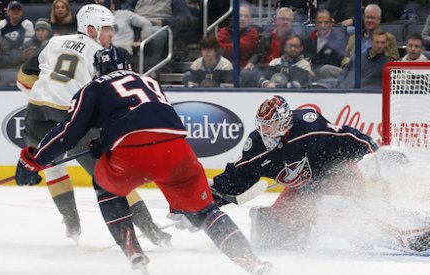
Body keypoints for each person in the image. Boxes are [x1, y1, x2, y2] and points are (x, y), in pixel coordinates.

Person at [15, 45, 273, 275]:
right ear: (128, 66)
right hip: (178, 150)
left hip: (132, 155)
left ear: (98, 69)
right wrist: (103, 143)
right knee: (206, 212)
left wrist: (35, 160)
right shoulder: (150, 81)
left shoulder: (93, 87)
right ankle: (252, 263)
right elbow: (145, 118)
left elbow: (69, 133)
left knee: (105, 187)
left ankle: (134, 253)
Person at [210, 95, 430, 254]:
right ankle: (312, 229)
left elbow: (347, 137)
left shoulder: (308, 127)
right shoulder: (257, 146)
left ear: (284, 121)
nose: (265, 132)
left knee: (357, 222)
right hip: (304, 189)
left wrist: (371, 155)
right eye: (262, 126)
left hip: (338, 175)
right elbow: (236, 178)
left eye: (270, 126)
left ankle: (420, 233)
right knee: (275, 230)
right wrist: (204, 205)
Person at [15, 4, 170, 248]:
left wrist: (47, 92)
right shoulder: (105, 54)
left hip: (36, 111)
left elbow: (23, 80)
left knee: (53, 169)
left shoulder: (55, 42)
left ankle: (71, 223)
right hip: (72, 116)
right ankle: (149, 228)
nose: (111, 34)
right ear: (91, 30)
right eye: (107, 29)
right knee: (111, 173)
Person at [241, 7, 294, 87]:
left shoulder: (295, 40)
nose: (285, 22)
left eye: (288, 20)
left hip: (282, 70)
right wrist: (251, 62)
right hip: (264, 68)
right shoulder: (267, 36)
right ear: (276, 20)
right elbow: (258, 53)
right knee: (245, 73)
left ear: (292, 23)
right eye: (282, 19)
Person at [303, 9, 348, 80]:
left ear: (331, 24)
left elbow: (335, 62)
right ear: (316, 24)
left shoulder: (338, 40)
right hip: (311, 73)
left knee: (325, 69)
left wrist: (315, 71)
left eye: (326, 22)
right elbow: (307, 57)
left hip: (330, 74)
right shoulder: (310, 39)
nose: (323, 26)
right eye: (320, 22)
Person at [217, 3, 259, 69]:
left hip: (244, 68)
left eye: (246, 16)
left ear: (250, 20)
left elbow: (237, 49)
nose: (243, 19)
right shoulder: (224, 31)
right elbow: (218, 48)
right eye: (240, 16)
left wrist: (226, 46)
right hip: (224, 66)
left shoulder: (253, 33)